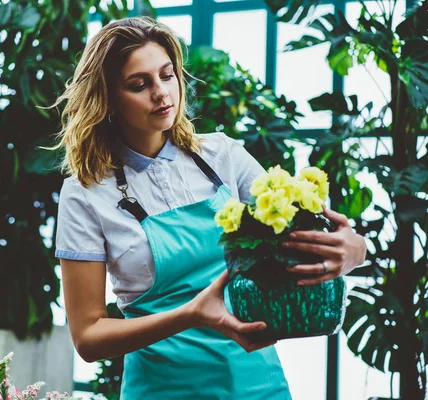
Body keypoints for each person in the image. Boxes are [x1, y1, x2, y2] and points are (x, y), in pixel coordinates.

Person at [51, 16, 367, 399]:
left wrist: (353, 248)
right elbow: (87, 337)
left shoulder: (222, 155)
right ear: (108, 99)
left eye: (167, 76)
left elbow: (303, 231)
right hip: (161, 389)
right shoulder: (85, 193)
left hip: (256, 383)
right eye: (139, 84)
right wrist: (190, 313)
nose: (161, 93)